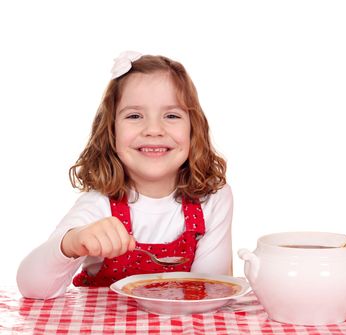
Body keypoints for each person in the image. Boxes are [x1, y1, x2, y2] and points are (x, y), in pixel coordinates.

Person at [17, 51, 233, 299]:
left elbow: (211, 290)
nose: (153, 130)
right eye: (134, 116)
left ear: (195, 129)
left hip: (181, 332)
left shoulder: (213, 199)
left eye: (172, 115)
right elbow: (32, 287)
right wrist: (72, 243)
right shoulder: (99, 204)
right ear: (111, 131)